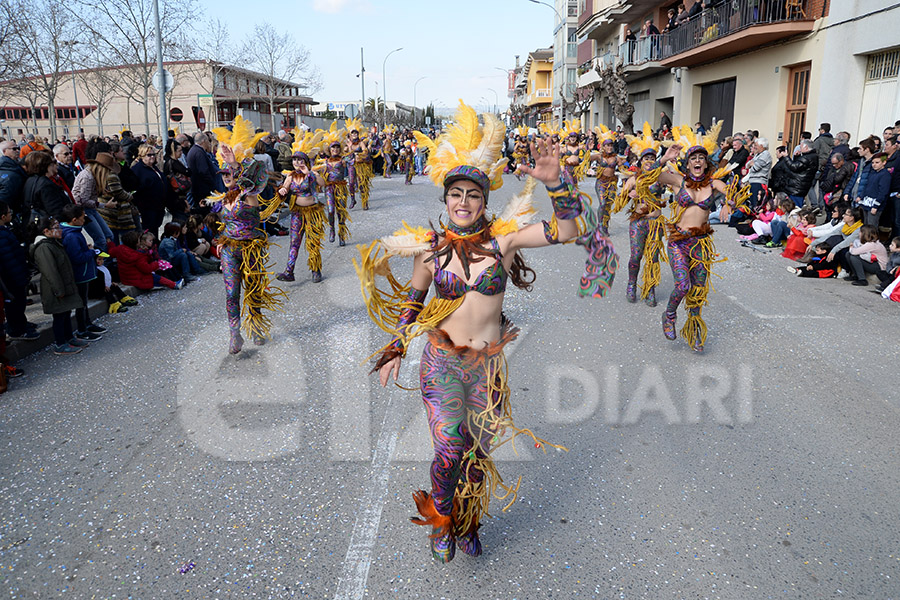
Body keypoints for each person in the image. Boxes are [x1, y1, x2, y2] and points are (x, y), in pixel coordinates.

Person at [360, 101, 580, 562]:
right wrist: (396, 347)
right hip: (441, 364)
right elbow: (412, 302)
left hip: (487, 368)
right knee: (448, 447)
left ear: (485, 200)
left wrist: (556, 183)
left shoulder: (504, 242)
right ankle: (442, 519)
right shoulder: (429, 252)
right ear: (445, 201)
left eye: (473, 195)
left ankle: (467, 520)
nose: (463, 202)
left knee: (477, 455)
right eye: (455, 194)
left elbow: (570, 228)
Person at [653, 121, 749, 352]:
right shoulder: (678, 181)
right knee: (683, 285)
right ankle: (669, 314)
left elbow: (733, 192)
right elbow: (649, 176)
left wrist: (729, 202)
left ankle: (694, 329)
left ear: (706, 164)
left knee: (697, 290)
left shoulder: (714, 183)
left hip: (701, 243)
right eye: (693, 159)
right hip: (679, 241)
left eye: (701, 159)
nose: (697, 162)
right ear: (687, 164)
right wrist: (665, 160)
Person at [203, 116, 286, 354]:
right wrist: (218, 242)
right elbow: (221, 225)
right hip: (230, 250)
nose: (227, 179)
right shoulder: (221, 200)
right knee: (231, 294)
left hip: (250, 249)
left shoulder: (249, 195)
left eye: (230, 176)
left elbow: (248, 181)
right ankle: (235, 334)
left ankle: (257, 326)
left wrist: (235, 164)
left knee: (253, 290)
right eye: (224, 176)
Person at [612, 122, 665, 306]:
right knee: (636, 256)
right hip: (638, 222)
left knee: (653, 257)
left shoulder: (661, 177)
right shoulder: (634, 179)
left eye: (652, 157)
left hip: (656, 222)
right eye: (646, 158)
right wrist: (628, 194)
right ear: (640, 162)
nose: (649, 161)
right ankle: (631, 283)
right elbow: (620, 203)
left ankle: (650, 288)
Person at [29, 217, 86, 355]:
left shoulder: (53, 243)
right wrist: (59, 290)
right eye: (56, 228)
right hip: (54, 288)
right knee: (59, 316)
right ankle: (60, 344)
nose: (60, 230)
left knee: (66, 313)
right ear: (46, 231)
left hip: (63, 285)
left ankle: (69, 338)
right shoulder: (43, 247)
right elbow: (50, 271)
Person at [276, 145, 327, 283]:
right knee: (294, 242)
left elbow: (323, 183)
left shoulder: (311, 174)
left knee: (313, 242)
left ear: (305, 161)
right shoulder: (291, 176)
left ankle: (316, 270)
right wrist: (282, 191)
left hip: (313, 213)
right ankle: (289, 271)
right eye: (294, 160)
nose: (297, 163)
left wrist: (309, 172)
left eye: (300, 160)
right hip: (297, 213)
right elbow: (285, 187)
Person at [59, 204, 107, 342]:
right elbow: (77, 257)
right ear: (74, 220)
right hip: (80, 273)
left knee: (84, 302)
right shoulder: (71, 236)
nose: (84, 219)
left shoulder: (74, 232)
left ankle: (87, 323)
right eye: (82, 217)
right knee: (81, 303)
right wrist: (92, 252)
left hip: (83, 272)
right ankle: (81, 329)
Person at [0, 201, 38, 341]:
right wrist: (18, 276)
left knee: (19, 303)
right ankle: (17, 330)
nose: (11, 215)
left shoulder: (5, 231)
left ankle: (21, 323)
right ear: (3, 216)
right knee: (14, 305)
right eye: (9, 213)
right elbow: (8, 260)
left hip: (16, 274)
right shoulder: (2, 235)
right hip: (11, 278)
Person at [71, 151, 118, 252]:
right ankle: (100, 262)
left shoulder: (92, 175)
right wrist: (105, 205)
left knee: (108, 235)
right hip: (84, 210)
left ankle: (106, 261)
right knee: (101, 239)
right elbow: (84, 200)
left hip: (90, 209)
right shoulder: (88, 177)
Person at [108, 231, 182, 291]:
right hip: (138, 279)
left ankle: (170, 283)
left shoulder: (119, 249)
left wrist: (110, 243)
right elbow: (146, 269)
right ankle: (174, 285)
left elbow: (111, 252)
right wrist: (156, 264)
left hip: (125, 279)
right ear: (136, 243)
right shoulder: (137, 255)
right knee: (156, 278)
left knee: (155, 279)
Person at [315, 140, 352, 247]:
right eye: (333, 148)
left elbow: (351, 158)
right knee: (331, 210)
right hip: (329, 188)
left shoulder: (342, 160)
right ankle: (332, 229)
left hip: (341, 188)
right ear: (329, 150)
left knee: (341, 212)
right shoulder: (325, 162)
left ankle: (341, 235)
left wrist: (349, 148)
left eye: (337, 148)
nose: (335, 150)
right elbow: (314, 166)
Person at [22, 150, 73, 222]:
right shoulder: (46, 184)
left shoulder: (30, 180)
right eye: (51, 164)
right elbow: (55, 210)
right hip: (46, 223)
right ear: (46, 166)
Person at [589, 125, 621, 232]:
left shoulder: (616, 158)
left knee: (608, 206)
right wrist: (587, 149)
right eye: (607, 145)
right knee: (602, 204)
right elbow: (586, 158)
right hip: (601, 182)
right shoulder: (599, 156)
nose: (610, 147)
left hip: (611, 183)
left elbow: (625, 167)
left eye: (611, 145)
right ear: (603, 146)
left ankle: (605, 226)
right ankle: (599, 224)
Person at [132, 144, 167, 239]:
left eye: (153, 154)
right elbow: (135, 189)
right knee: (149, 230)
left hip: (158, 205)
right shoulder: (137, 169)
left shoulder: (153, 167)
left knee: (155, 228)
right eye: (149, 155)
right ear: (142, 156)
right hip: (147, 207)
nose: (152, 157)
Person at [89, 249, 138, 314]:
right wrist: (103, 286)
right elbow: (96, 282)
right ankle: (114, 304)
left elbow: (107, 277)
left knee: (115, 287)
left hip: (107, 286)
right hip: (99, 290)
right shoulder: (94, 270)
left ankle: (123, 298)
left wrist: (111, 282)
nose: (102, 261)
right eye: (99, 259)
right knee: (108, 292)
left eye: (102, 259)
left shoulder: (103, 267)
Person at [781, 138, 818, 207]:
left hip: (797, 187)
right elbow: (800, 167)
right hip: (800, 185)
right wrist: (797, 157)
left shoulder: (807, 158)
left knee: (794, 207)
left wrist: (786, 157)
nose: (800, 149)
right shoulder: (812, 156)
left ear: (806, 147)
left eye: (801, 147)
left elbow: (794, 167)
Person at [857, 152, 890, 227]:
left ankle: (872, 239)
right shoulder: (872, 173)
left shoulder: (885, 175)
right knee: (865, 224)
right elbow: (867, 186)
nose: (874, 164)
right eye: (872, 162)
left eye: (877, 162)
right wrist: (861, 196)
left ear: (884, 162)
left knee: (872, 226)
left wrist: (876, 206)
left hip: (875, 205)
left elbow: (883, 192)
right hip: (866, 203)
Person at [163, 139, 192, 225]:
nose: (181, 153)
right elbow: (187, 172)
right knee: (181, 218)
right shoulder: (173, 163)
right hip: (176, 197)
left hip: (176, 196)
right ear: (173, 151)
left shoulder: (170, 162)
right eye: (179, 151)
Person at [744, 137, 771, 209]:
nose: (755, 147)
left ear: (761, 146)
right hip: (753, 181)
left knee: (756, 203)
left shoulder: (765, 155)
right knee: (752, 202)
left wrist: (752, 164)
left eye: (756, 145)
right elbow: (747, 165)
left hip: (759, 182)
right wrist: (751, 164)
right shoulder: (758, 155)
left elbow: (755, 168)